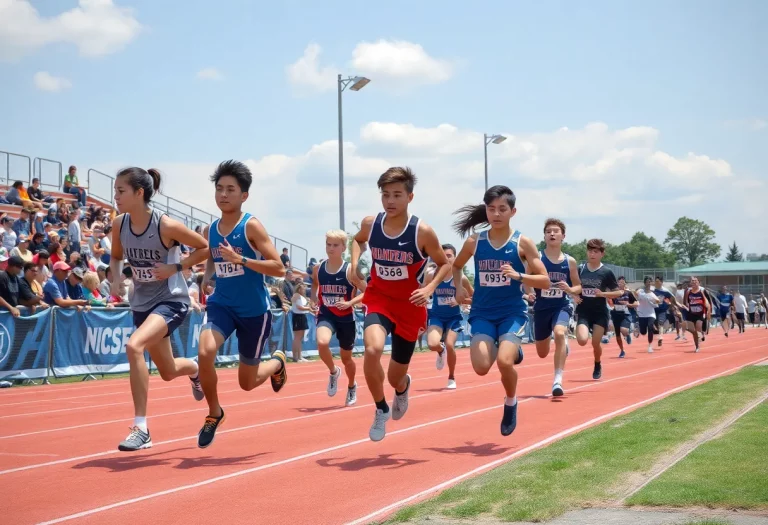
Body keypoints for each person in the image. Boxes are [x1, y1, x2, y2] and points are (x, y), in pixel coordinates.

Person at [110, 167, 210, 452]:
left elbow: (204, 248)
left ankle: (141, 428)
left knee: (134, 346)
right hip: (142, 303)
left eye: (121, 191)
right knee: (167, 370)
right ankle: (195, 370)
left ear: (139, 193)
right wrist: (117, 278)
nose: (115, 196)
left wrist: (175, 267)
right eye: (115, 190)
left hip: (171, 300)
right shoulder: (119, 224)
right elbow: (116, 256)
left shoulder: (165, 226)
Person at [349, 167, 452, 442]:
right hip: (379, 298)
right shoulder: (372, 224)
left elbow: (444, 263)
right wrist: (353, 264)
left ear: (410, 197)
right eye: (385, 195)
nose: (390, 201)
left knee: (396, 376)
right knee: (372, 349)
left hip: (409, 306)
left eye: (397, 195)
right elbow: (357, 241)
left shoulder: (422, 231)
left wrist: (429, 287)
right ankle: (380, 408)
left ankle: (402, 388)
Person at [195, 161, 288, 449]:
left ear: (244, 195)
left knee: (246, 383)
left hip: (253, 312)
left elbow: (279, 268)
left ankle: (277, 362)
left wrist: (243, 260)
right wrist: (208, 277)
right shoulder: (211, 228)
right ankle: (214, 413)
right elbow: (213, 255)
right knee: (204, 351)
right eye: (219, 189)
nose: (223, 194)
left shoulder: (251, 226)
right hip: (222, 304)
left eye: (231, 190)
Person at [451, 185, 549, 436]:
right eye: (491, 209)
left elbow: (545, 280)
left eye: (502, 209)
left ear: (512, 211)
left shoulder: (522, 242)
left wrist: (519, 275)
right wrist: (458, 289)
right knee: (482, 368)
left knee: (505, 361)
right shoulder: (475, 241)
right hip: (482, 312)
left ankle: (510, 401)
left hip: (511, 313)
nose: (496, 214)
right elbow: (457, 266)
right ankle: (509, 346)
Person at [311, 230, 366, 406]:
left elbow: (369, 292)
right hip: (326, 313)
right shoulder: (318, 269)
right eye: (328, 244)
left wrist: (351, 303)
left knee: (346, 359)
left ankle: (351, 386)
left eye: (335, 245)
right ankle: (334, 372)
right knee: (322, 342)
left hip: (346, 318)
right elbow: (314, 285)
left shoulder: (350, 270)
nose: (331, 248)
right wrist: (313, 299)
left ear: (343, 247)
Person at [528, 218, 581, 397]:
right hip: (542, 307)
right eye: (548, 231)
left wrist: (570, 289)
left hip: (562, 305)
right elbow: (526, 279)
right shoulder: (537, 259)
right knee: (542, 352)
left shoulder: (569, 261)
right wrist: (529, 293)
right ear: (544, 236)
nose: (552, 233)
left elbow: (578, 287)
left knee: (559, 332)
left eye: (556, 231)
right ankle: (562, 345)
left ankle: (557, 379)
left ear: (563, 236)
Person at [424, 244, 474, 390]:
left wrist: (461, 300)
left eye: (449, 256)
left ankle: (451, 376)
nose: (446, 258)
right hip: (437, 316)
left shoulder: (461, 279)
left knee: (450, 344)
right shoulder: (432, 275)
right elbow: (424, 289)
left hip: (454, 318)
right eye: (443, 255)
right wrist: (424, 296)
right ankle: (441, 351)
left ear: (455, 258)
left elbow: (475, 298)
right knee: (432, 344)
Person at [572, 239, 622, 380]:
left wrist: (603, 294)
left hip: (600, 312)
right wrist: (574, 295)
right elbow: (572, 286)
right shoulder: (580, 269)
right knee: (582, 340)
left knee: (595, 343)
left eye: (595, 251)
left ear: (602, 254)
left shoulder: (606, 272)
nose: (592, 254)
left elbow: (618, 293)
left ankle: (597, 363)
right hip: (584, 311)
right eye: (589, 251)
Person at [610, 276, 637, 358]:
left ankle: (627, 334)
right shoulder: (614, 293)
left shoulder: (628, 293)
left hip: (625, 314)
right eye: (619, 282)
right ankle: (622, 350)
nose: (620, 283)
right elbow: (608, 298)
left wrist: (630, 305)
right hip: (616, 315)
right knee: (618, 336)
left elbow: (636, 302)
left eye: (622, 282)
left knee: (623, 330)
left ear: (625, 283)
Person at [683, 276, 709, 353]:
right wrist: (686, 306)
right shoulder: (688, 291)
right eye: (692, 281)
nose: (693, 282)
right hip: (691, 313)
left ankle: (700, 337)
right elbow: (686, 301)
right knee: (693, 331)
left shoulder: (702, 291)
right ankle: (697, 346)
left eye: (695, 281)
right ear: (690, 283)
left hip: (700, 314)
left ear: (698, 282)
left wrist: (707, 309)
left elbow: (706, 301)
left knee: (697, 330)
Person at [636, 277, 661, 353]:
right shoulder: (640, 291)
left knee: (650, 327)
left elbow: (658, 301)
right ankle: (638, 328)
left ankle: (650, 346)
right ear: (644, 283)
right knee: (643, 332)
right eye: (647, 282)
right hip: (642, 314)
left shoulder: (652, 294)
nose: (648, 283)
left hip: (651, 314)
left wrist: (656, 301)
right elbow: (634, 293)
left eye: (649, 282)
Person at [652, 277, 674, 348]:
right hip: (653, 310)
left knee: (660, 323)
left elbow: (672, 299)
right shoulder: (652, 291)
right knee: (654, 324)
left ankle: (660, 337)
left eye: (658, 281)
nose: (656, 283)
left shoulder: (666, 291)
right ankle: (659, 332)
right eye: (655, 282)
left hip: (662, 310)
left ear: (661, 282)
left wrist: (672, 306)